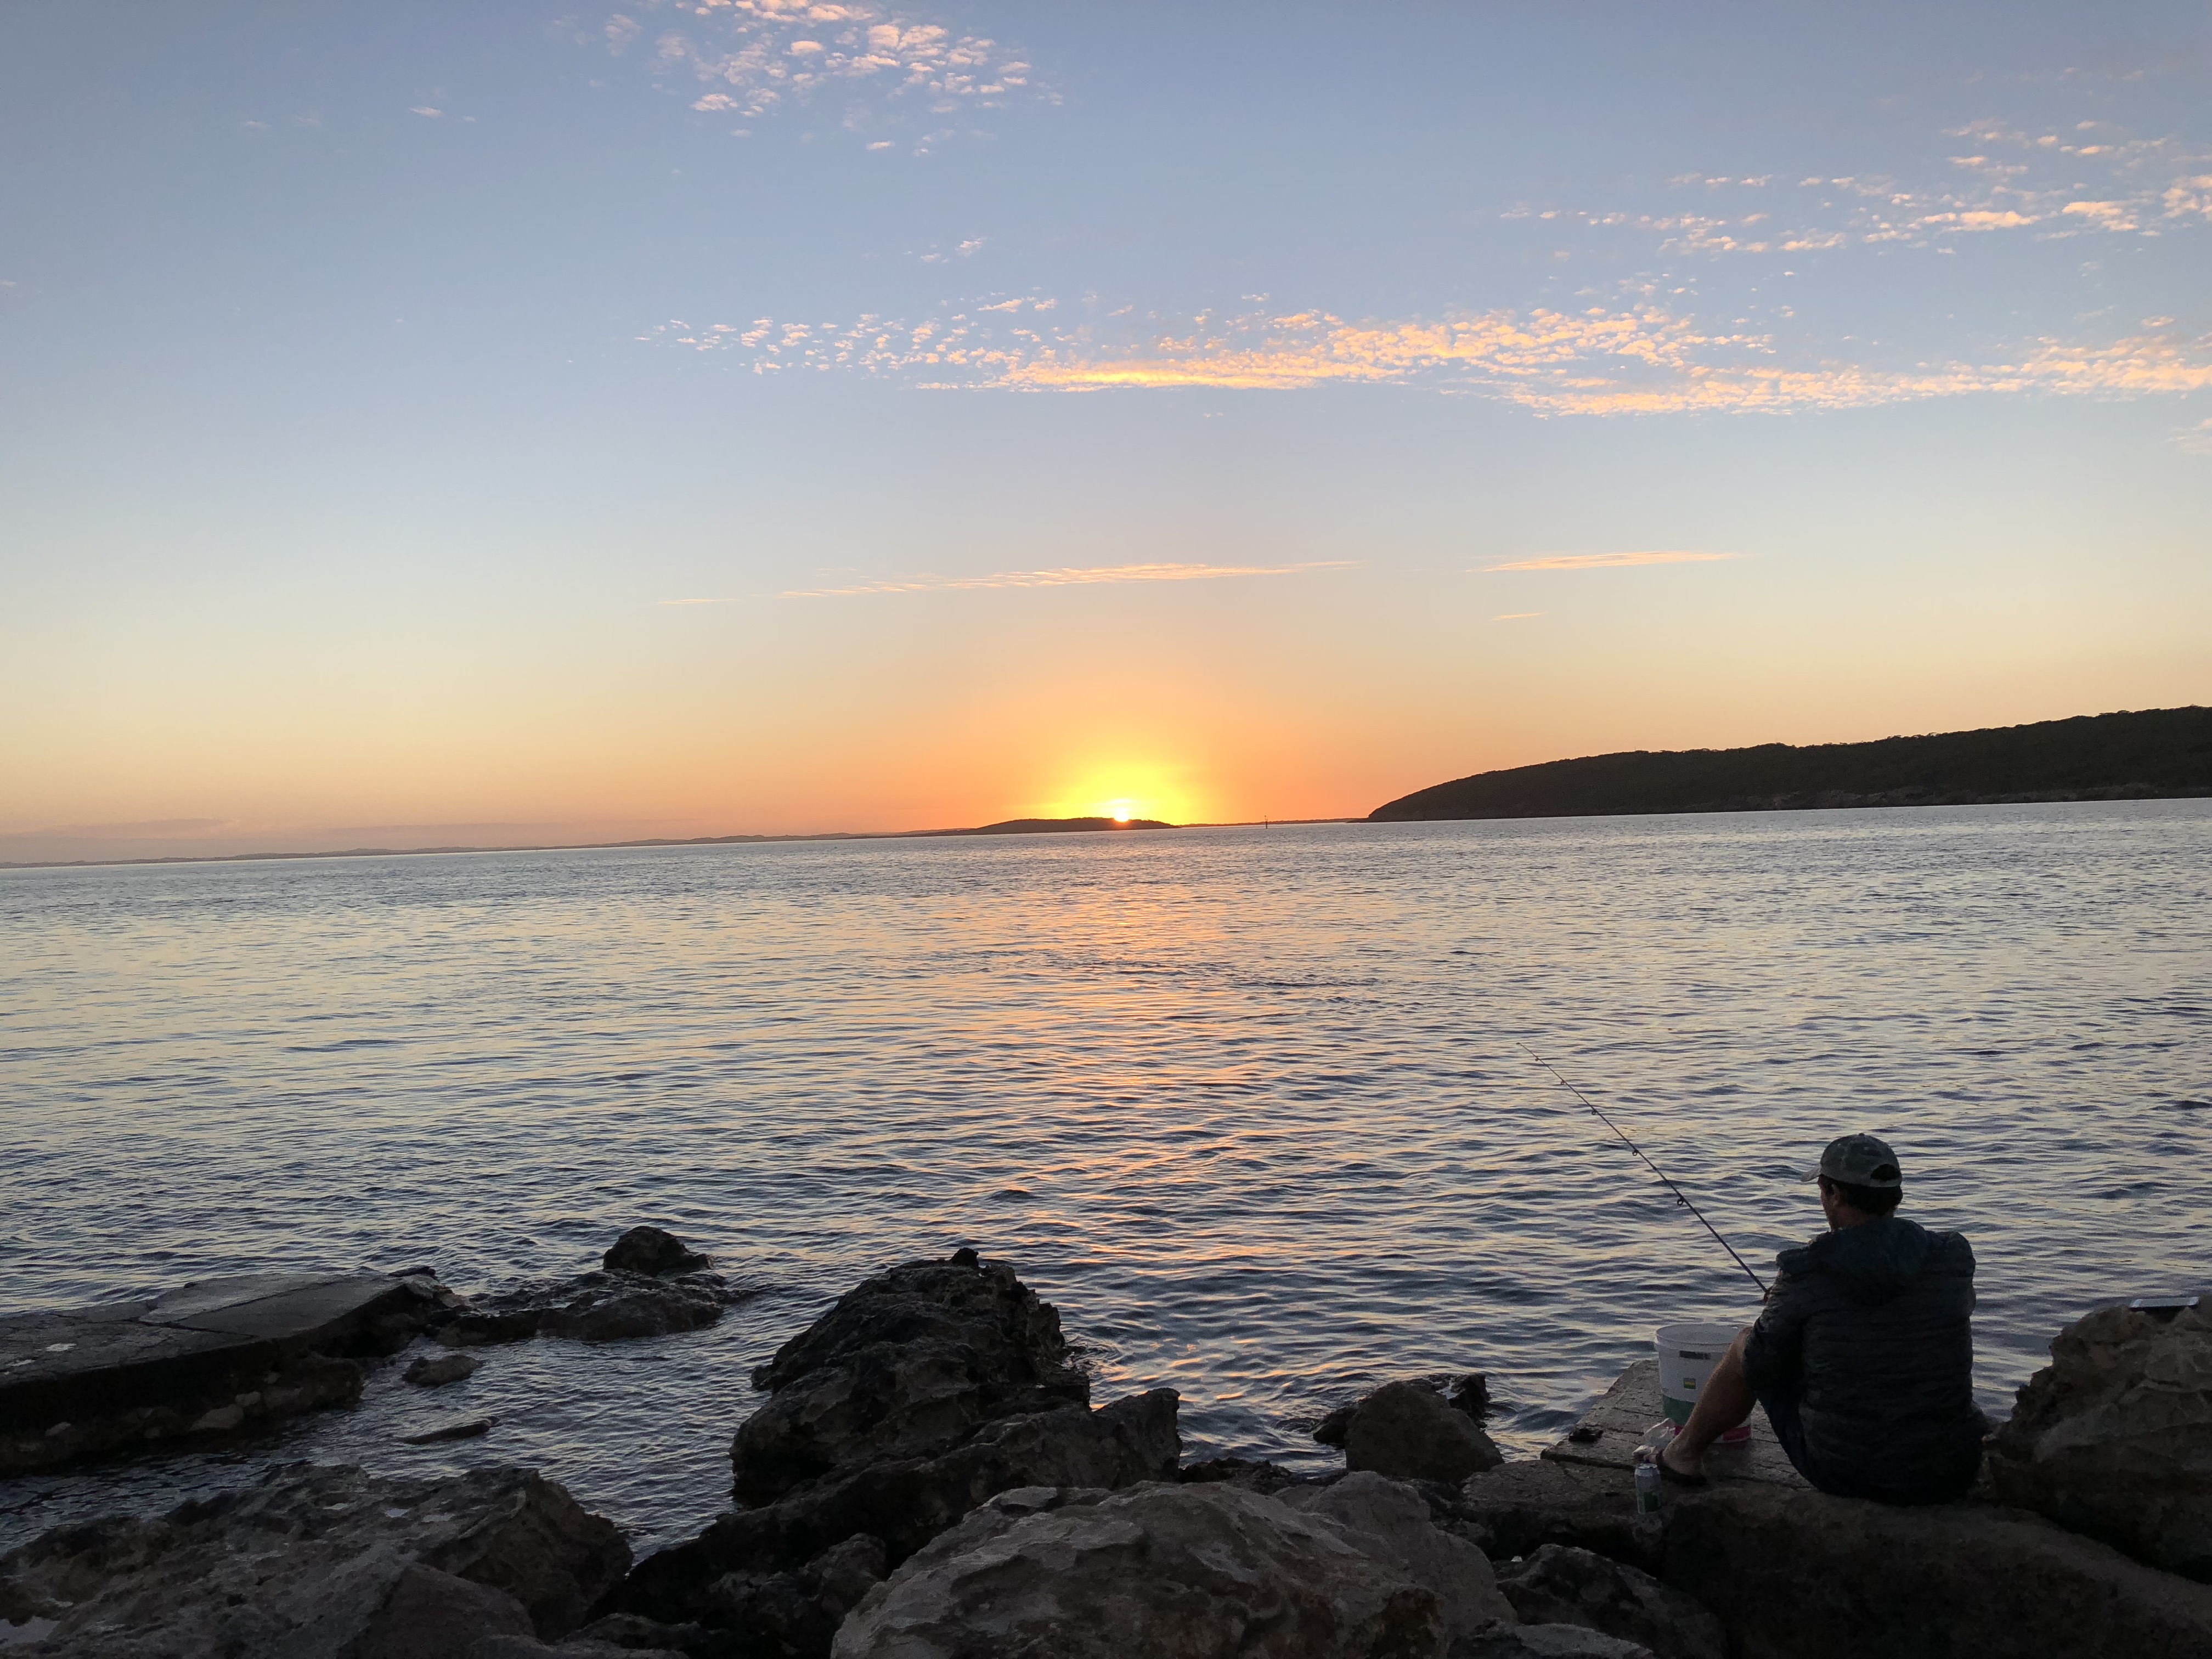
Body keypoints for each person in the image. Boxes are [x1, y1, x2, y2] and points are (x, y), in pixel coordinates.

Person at [1646, 1132, 1987, 1504]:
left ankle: (1682, 1455)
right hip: (1952, 1467)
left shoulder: (1808, 1270)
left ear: (1835, 1194)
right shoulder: (1951, 1255)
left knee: (1747, 1344)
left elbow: (1762, 1365)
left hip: (1847, 1470)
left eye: (1823, 1189)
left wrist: (1781, 1308)